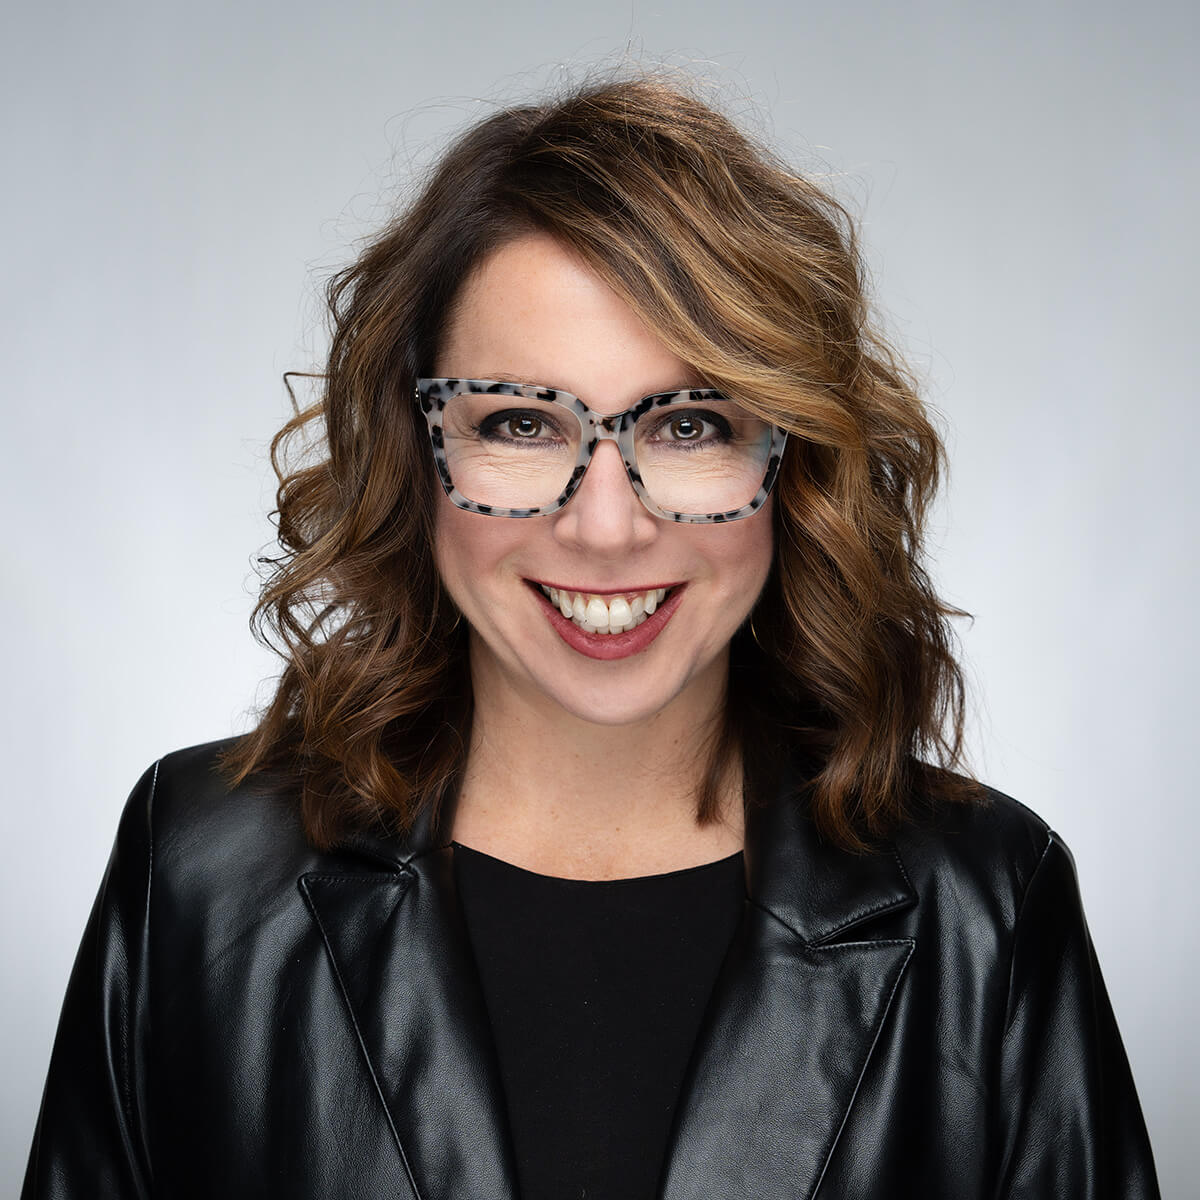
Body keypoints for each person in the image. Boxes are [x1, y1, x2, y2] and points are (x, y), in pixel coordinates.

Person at [22, 72, 1160, 1200]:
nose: (607, 527)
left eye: (690, 423)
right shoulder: (199, 872)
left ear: (792, 465)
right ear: (414, 459)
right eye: (519, 422)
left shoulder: (989, 903)